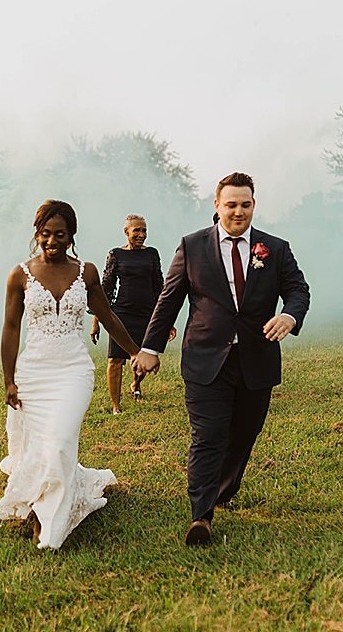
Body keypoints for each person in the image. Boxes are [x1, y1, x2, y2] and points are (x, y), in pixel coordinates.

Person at [133, 172, 310, 546]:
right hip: (205, 359)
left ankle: (222, 490)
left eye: (245, 205)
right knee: (208, 436)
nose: (238, 212)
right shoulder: (192, 246)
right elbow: (170, 299)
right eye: (231, 205)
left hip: (256, 359)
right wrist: (149, 348)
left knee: (245, 432)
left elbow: (297, 289)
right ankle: (201, 516)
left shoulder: (274, 249)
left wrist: (289, 316)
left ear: (253, 206)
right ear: (217, 206)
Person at [0, 200, 141, 550]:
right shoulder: (20, 274)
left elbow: (107, 316)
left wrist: (135, 351)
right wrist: (9, 380)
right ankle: (38, 507)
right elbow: (12, 328)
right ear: (36, 234)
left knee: (60, 441)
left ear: (71, 236)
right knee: (42, 445)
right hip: (34, 373)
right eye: (45, 234)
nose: (51, 241)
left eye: (59, 234)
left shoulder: (86, 272)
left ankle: (50, 522)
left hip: (74, 370)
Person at [90, 214, 174, 414]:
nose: (141, 234)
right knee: (115, 360)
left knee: (145, 356)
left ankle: (135, 383)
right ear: (126, 231)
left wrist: (166, 321)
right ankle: (116, 407)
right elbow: (105, 290)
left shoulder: (152, 254)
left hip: (147, 313)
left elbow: (159, 287)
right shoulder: (116, 254)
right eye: (137, 230)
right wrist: (96, 321)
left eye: (144, 230)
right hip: (122, 313)